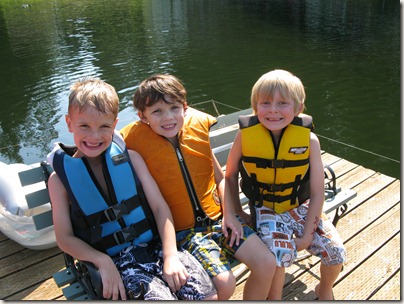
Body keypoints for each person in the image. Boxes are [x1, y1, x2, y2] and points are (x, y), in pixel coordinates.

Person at [47, 78, 217, 300]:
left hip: (156, 246)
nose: (94, 136)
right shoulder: (58, 180)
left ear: (115, 124)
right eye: (84, 126)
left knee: (208, 296)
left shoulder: (132, 159)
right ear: (69, 123)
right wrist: (102, 261)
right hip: (115, 261)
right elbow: (64, 238)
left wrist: (170, 255)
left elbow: (159, 208)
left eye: (104, 126)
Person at [120, 74, 277, 300]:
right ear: (142, 116)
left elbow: (221, 179)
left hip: (220, 220)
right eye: (157, 112)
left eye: (174, 108)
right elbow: (97, 145)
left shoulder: (196, 131)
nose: (168, 118)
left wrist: (231, 215)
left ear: (185, 107)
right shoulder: (133, 141)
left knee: (266, 262)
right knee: (225, 283)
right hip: (185, 233)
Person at [224, 69, 346, 300]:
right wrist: (237, 211)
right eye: (266, 103)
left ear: (298, 108)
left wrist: (308, 234)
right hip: (266, 208)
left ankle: (325, 288)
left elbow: (318, 193)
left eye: (282, 103)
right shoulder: (245, 136)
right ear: (255, 106)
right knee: (279, 255)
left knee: (336, 252)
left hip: (301, 206)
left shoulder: (309, 140)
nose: (273, 110)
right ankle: (276, 298)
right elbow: (229, 176)